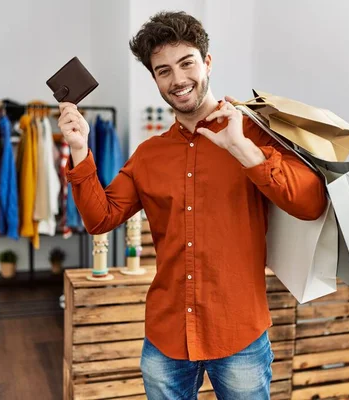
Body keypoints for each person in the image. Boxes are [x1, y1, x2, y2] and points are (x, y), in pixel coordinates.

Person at [58, 11, 327, 399]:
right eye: (163, 70)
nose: (178, 79)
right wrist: (80, 150)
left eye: (187, 63)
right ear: (155, 80)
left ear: (208, 63)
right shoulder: (148, 155)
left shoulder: (253, 133)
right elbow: (101, 218)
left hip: (240, 335)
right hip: (165, 340)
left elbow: (311, 203)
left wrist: (243, 150)